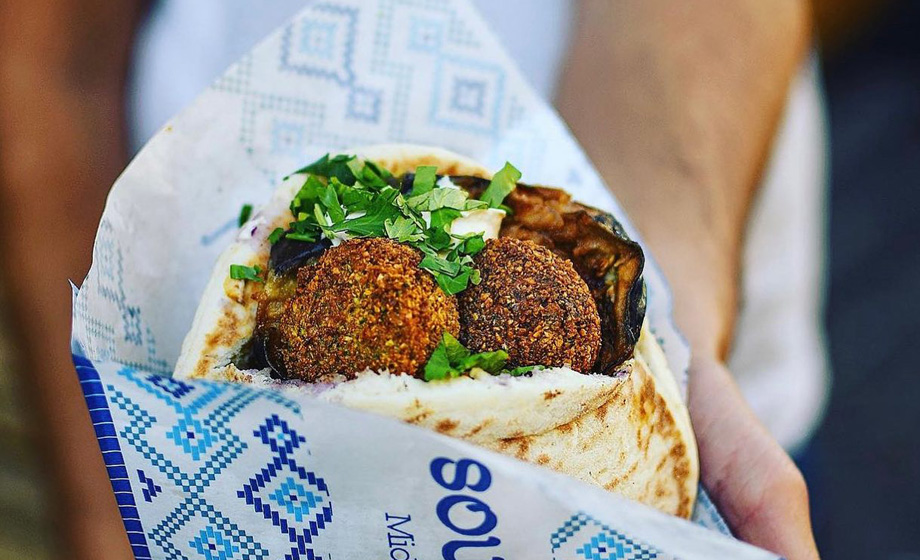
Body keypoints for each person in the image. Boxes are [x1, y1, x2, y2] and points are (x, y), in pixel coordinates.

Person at [0, 1, 822, 558]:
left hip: (683, 252)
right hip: (187, 240)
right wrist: (117, 511)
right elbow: (45, 53)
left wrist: (669, 317)